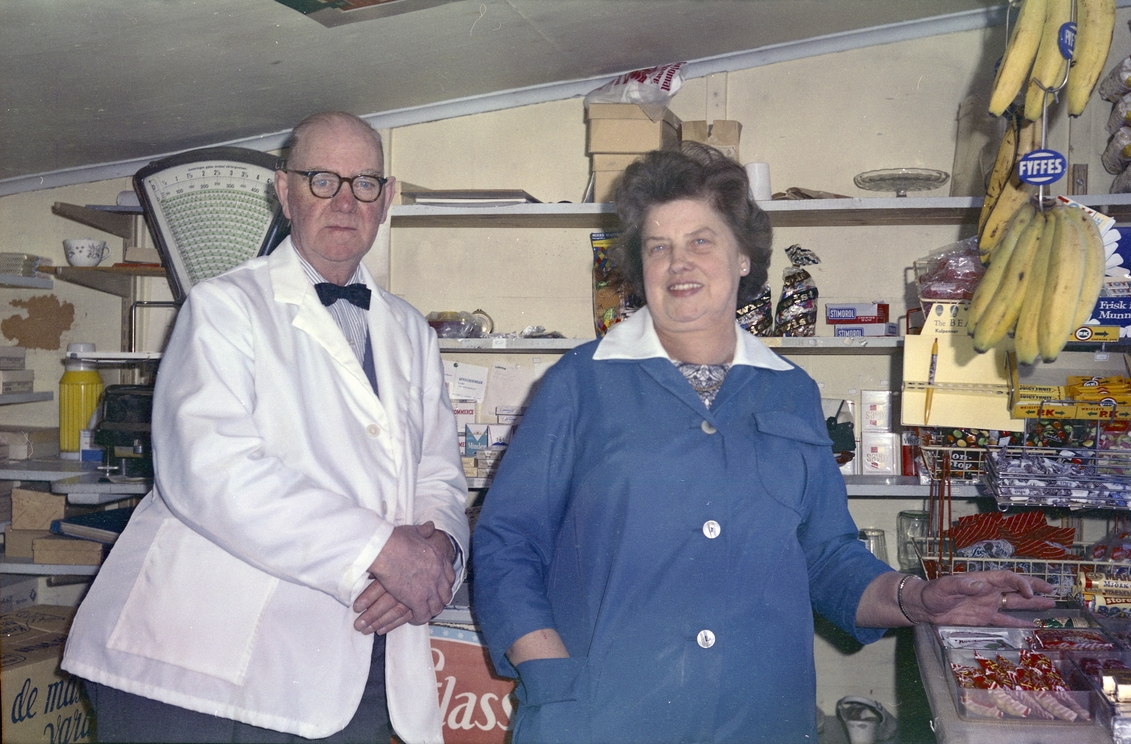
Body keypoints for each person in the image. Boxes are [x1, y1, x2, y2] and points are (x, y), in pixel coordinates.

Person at [470, 143, 1055, 743]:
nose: (678, 263)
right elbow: (506, 544)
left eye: (701, 240)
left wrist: (917, 598)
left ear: (744, 255)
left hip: (758, 718)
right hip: (605, 718)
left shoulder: (791, 391)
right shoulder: (579, 381)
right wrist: (547, 672)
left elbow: (826, 556)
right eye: (657, 247)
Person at [62, 111, 469, 744]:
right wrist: (383, 554)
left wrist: (437, 554)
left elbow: (440, 474)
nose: (343, 200)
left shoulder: (410, 329)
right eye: (320, 180)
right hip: (198, 676)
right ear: (283, 192)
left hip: (352, 666)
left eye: (363, 183)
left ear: (386, 199)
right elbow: (210, 470)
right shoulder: (223, 308)